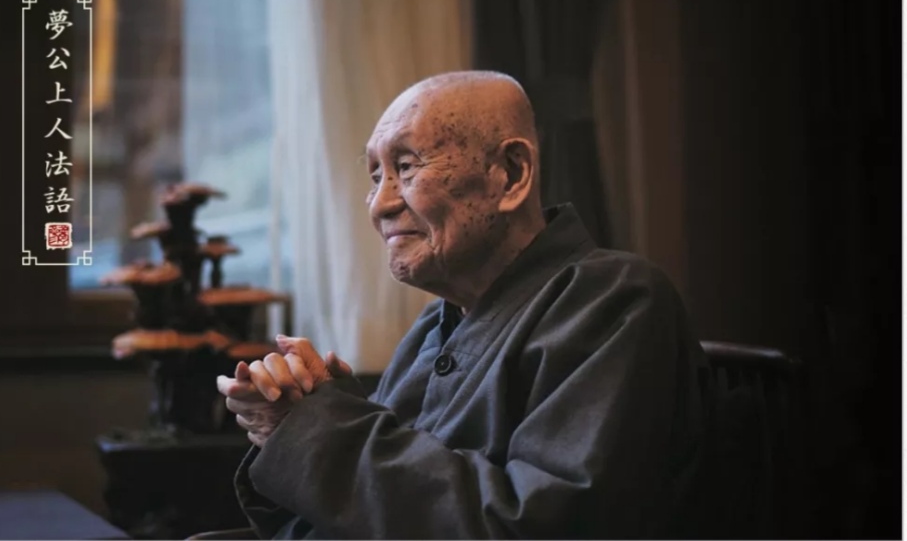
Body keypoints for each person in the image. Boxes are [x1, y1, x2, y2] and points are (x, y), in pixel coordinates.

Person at [217, 71, 711, 539]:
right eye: (376, 175)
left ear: (510, 175)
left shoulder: (615, 301)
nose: (380, 204)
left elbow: (529, 527)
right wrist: (316, 409)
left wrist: (317, 431)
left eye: (406, 167)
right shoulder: (437, 323)